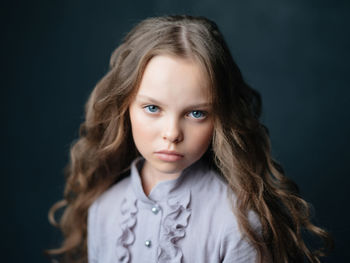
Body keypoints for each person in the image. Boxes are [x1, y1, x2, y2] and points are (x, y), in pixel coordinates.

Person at [45, 15, 333, 263]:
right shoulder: (103, 210)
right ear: (125, 107)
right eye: (152, 108)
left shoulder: (239, 224)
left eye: (196, 113)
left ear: (220, 118)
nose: (172, 133)